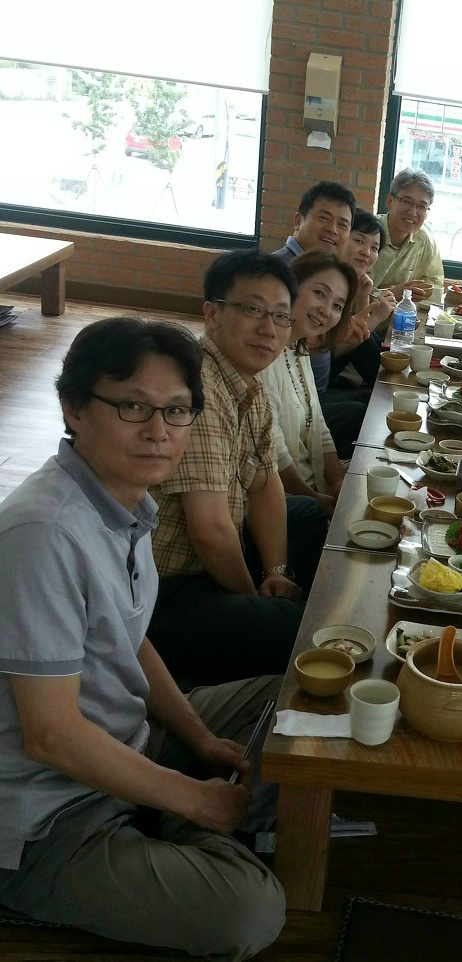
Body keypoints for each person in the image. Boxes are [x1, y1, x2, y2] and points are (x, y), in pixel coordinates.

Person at [0, 317, 284, 959]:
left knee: (290, 701)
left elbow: (131, 639)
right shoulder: (43, 533)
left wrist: (200, 739)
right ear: (74, 407)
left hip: (128, 743)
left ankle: (184, 817)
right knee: (250, 912)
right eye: (132, 406)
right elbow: (50, 736)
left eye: (177, 411)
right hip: (50, 813)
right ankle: (195, 821)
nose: (159, 431)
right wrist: (196, 800)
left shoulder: (125, 504)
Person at [147, 250, 327, 686]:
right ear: (212, 314)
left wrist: (276, 572)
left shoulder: (246, 381)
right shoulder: (198, 389)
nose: (269, 329)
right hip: (166, 593)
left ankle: (279, 604)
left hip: (216, 556)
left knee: (308, 515)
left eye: (281, 316)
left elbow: (265, 483)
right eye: (253, 310)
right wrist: (254, 600)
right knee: (305, 636)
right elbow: (209, 530)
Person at [261, 250, 360, 516]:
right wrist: (317, 500)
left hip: (313, 486)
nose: (326, 310)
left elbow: (318, 424)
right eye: (319, 293)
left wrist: (338, 480)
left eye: (337, 306)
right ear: (291, 285)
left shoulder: (299, 348)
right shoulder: (264, 353)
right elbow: (274, 450)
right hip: (284, 501)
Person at [309, 208, 397, 400]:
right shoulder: (325, 279)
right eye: (359, 241)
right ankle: (393, 392)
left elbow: (356, 331)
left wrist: (362, 297)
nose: (366, 253)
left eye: (374, 248)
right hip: (312, 383)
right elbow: (325, 350)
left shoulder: (351, 280)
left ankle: (394, 391)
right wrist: (376, 317)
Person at [368, 168, 444, 309]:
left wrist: (418, 293)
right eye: (407, 202)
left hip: (403, 316)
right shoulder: (368, 233)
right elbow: (353, 292)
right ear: (390, 201)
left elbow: (435, 285)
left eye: (421, 206)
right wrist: (396, 293)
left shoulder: (425, 240)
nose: (413, 212)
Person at [273, 179, 357, 264]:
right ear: (298, 221)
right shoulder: (275, 268)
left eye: (342, 225)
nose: (333, 229)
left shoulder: (335, 271)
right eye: (324, 218)